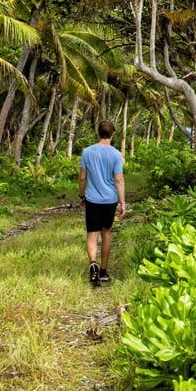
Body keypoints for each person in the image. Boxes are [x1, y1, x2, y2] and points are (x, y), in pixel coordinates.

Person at [79, 119, 126, 286]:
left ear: (98, 133)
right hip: (109, 201)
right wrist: (122, 203)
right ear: (112, 134)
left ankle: (93, 263)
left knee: (92, 234)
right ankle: (103, 271)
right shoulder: (116, 155)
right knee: (106, 233)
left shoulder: (87, 152)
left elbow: (83, 177)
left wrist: (81, 196)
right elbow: (119, 180)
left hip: (92, 199)